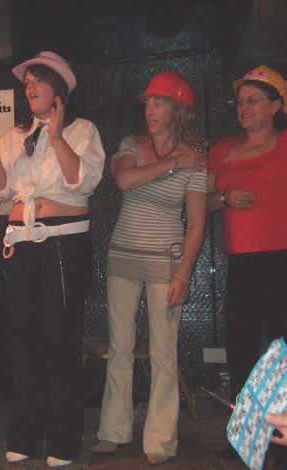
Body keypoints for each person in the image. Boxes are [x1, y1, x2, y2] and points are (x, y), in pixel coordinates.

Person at [0, 51, 105, 467]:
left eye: (38, 82)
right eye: (26, 84)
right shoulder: (15, 135)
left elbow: (80, 180)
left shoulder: (82, 130)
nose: (29, 88)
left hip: (64, 243)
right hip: (19, 242)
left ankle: (64, 441)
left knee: (61, 341)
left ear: (59, 88)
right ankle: (26, 436)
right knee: (24, 341)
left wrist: (58, 133)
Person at [92, 71, 207, 465]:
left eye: (158, 103)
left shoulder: (197, 162)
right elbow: (125, 179)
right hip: (123, 256)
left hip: (167, 262)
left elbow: (197, 224)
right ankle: (114, 430)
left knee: (163, 353)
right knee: (120, 347)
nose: (150, 111)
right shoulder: (133, 145)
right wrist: (174, 162)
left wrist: (185, 274)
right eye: (148, 104)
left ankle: (160, 439)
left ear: (176, 110)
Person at [206, 66, 286, 412]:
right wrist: (224, 198)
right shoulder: (222, 149)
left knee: (282, 350)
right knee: (241, 348)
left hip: (282, 258)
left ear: (275, 105)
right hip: (242, 261)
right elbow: (199, 202)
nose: (244, 107)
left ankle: (282, 440)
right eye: (240, 101)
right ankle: (244, 435)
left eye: (253, 100)